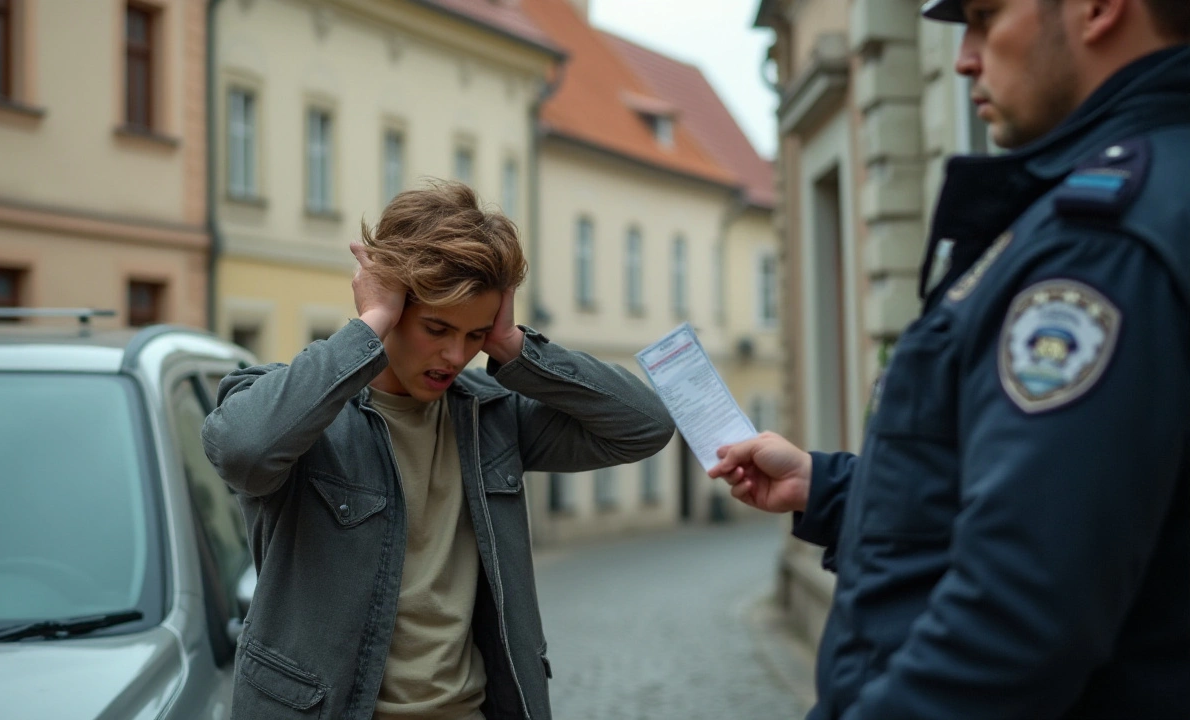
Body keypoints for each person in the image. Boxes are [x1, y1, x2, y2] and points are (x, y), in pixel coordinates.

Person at [710, 1, 1190, 718]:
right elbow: (1052, 497)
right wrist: (834, 487)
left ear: (1096, 9)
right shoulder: (1125, 201)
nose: (965, 56)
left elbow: (1013, 621)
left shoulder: (1099, 246)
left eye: (985, 17)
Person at [202, 181, 675, 720]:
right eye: (436, 327)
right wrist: (368, 327)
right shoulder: (304, 413)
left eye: (474, 334)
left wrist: (512, 346)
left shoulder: (490, 417)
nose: (454, 355)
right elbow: (242, 450)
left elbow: (646, 425)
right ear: (393, 301)